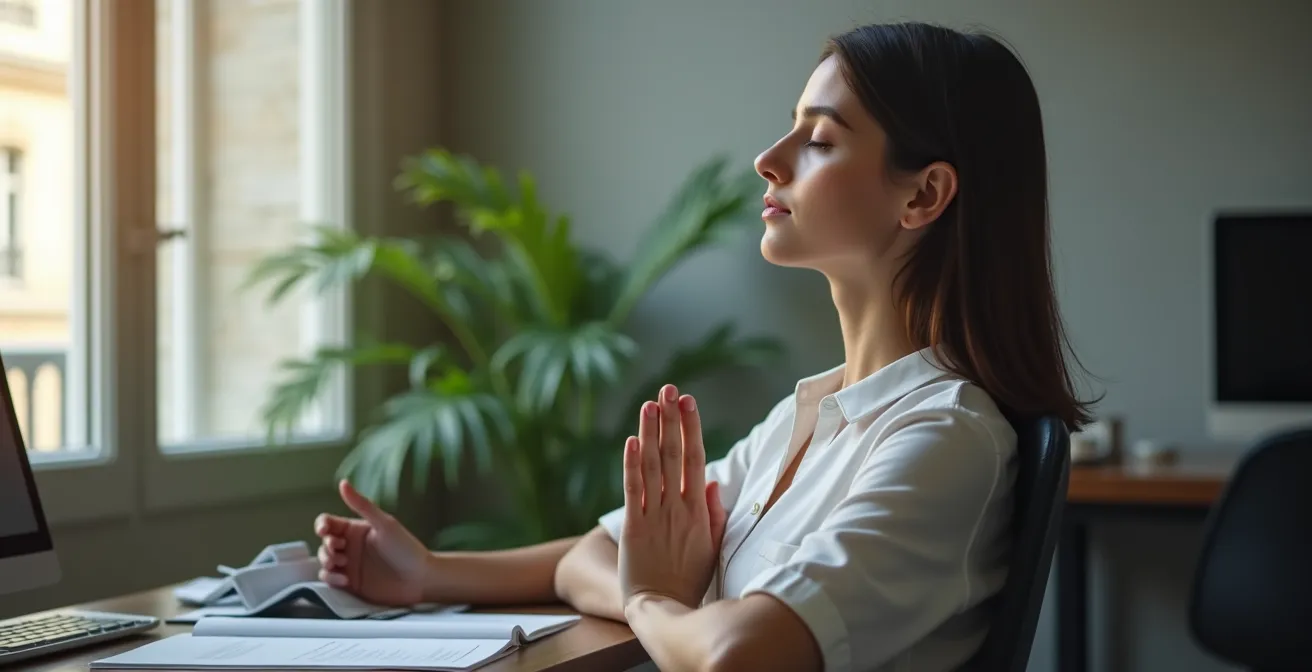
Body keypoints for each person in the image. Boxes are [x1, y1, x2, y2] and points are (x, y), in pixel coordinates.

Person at [313, 21, 1091, 672]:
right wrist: (430, 573)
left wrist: (655, 599)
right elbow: (592, 555)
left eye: (818, 139)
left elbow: (740, 654)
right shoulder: (807, 419)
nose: (770, 158)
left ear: (923, 195)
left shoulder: (945, 438)